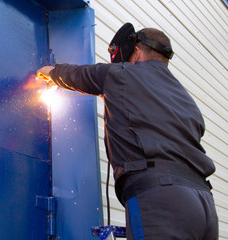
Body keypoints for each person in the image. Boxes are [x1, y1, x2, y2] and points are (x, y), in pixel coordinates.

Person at [37, 23, 218, 240]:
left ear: (137, 52)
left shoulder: (121, 74)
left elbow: (79, 75)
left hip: (161, 199)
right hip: (204, 205)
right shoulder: (187, 100)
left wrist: (48, 72)